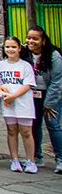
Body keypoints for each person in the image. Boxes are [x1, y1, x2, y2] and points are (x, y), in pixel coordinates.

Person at [23, 26, 62, 172]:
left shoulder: (54, 56)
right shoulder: (25, 53)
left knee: (53, 125)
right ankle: (36, 157)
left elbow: (57, 82)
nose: (31, 41)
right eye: (29, 38)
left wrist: (49, 104)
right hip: (32, 95)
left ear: (43, 41)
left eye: (35, 39)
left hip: (51, 95)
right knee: (34, 125)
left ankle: (60, 159)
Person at [0, 36, 37, 173]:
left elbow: (28, 85)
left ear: (19, 48)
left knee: (26, 131)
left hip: (23, 103)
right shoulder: (0, 65)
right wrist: (2, 93)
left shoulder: (25, 66)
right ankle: (14, 159)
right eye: (7, 47)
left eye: (13, 47)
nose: (10, 49)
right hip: (8, 103)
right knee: (11, 130)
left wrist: (14, 96)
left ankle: (31, 160)